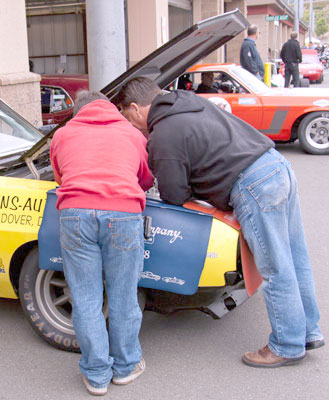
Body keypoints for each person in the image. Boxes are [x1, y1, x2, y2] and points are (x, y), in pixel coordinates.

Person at [116, 77, 324, 369]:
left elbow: (174, 195)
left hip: (253, 184)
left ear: (136, 108)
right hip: (275, 166)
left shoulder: (164, 133)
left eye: (126, 116)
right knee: (294, 257)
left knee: (274, 267)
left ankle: (287, 345)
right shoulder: (189, 103)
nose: (130, 123)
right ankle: (308, 331)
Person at [50, 90, 153, 395]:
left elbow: (60, 177)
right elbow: (144, 178)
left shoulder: (62, 134)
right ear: (111, 109)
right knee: (123, 294)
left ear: (77, 113)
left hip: (75, 215)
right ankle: (125, 367)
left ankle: (96, 375)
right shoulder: (132, 133)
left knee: (85, 297)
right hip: (123, 214)